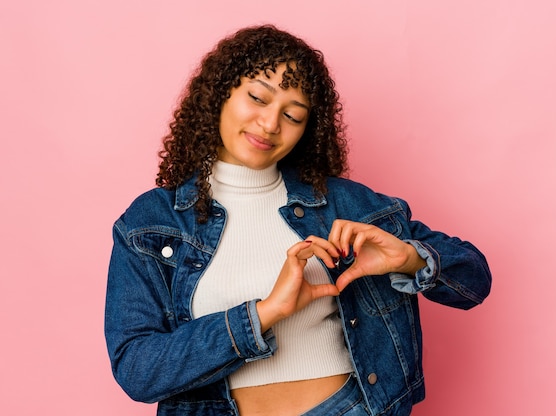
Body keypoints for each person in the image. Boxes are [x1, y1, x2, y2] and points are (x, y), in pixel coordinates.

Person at [104, 24, 492, 416]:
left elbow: (474, 282)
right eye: (258, 97)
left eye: (292, 115)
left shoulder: (346, 204)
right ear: (220, 94)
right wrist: (266, 312)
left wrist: (409, 258)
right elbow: (138, 370)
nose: (271, 124)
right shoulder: (151, 223)